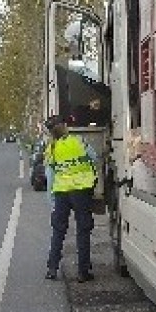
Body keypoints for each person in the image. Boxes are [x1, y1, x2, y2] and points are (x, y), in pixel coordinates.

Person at [43, 114, 97, 282]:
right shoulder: (79, 141)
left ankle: (52, 269)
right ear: (65, 126)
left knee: (58, 231)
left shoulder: (51, 148)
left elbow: (50, 176)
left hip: (61, 192)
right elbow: (94, 158)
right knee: (83, 230)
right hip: (81, 191)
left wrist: (51, 198)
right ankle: (83, 272)